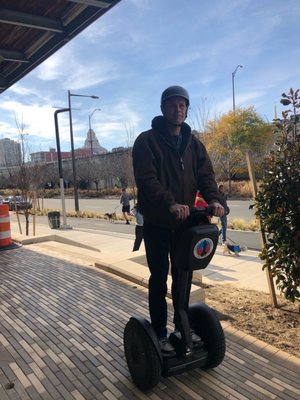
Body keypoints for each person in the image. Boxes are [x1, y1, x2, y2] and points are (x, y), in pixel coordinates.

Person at [132, 85, 224, 353]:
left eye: (182, 105)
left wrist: (215, 200)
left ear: (187, 109)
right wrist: (170, 204)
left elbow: (206, 177)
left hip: (186, 225)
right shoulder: (146, 141)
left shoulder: (194, 144)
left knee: (183, 276)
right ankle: (159, 332)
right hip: (159, 222)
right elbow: (147, 180)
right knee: (159, 276)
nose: (178, 109)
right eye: (173, 104)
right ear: (163, 108)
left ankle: (181, 327)